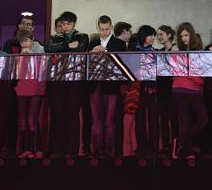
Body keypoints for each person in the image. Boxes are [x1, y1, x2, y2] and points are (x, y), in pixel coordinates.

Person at [45, 11, 89, 158]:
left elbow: (81, 49)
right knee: (57, 115)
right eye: (63, 24)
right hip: (57, 80)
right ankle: (56, 150)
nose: (66, 26)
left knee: (72, 115)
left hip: (76, 80)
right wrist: (69, 45)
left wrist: (63, 46)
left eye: (69, 23)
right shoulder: (53, 38)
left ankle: (72, 151)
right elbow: (49, 49)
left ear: (74, 24)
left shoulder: (83, 37)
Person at [88, 15, 127, 158]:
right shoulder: (92, 42)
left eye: (107, 29)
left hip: (111, 85)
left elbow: (122, 66)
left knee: (109, 120)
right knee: (96, 119)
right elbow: (86, 65)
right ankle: (98, 149)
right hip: (95, 84)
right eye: (102, 29)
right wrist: (92, 54)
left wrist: (105, 52)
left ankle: (109, 148)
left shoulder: (120, 44)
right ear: (98, 27)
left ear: (111, 27)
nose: (104, 32)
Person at [172, 22, 208, 158]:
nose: (183, 38)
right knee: (185, 122)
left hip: (195, 91)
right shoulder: (176, 52)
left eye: (186, 35)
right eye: (181, 36)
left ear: (191, 35)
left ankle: (180, 141)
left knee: (203, 119)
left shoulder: (199, 52)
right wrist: (195, 77)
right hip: (178, 90)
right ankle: (187, 151)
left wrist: (192, 76)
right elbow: (179, 73)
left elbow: (201, 77)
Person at [14, 29, 45, 158]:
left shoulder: (40, 50)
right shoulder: (19, 55)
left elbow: (42, 72)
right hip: (22, 89)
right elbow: (17, 74)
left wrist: (31, 55)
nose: (24, 44)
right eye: (22, 42)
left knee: (32, 120)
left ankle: (36, 149)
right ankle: (24, 149)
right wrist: (21, 58)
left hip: (35, 89)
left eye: (26, 41)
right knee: (23, 121)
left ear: (32, 39)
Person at [129, 25, 159, 156]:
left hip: (153, 89)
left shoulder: (156, 51)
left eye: (154, 35)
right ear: (143, 36)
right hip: (138, 89)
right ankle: (141, 147)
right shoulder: (133, 50)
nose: (153, 38)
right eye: (151, 35)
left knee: (153, 120)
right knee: (139, 120)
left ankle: (154, 148)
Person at [156, 25, 177, 156]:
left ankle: (175, 145)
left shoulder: (175, 49)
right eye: (158, 35)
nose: (159, 37)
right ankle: (166, 146)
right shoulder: (161, 51)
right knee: (163, 119)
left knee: (174, 118)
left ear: (169, 35)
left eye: (161, 34)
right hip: (163, 89)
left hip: (173, 88)